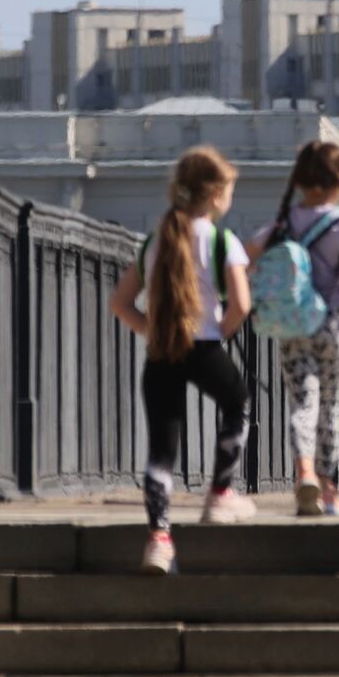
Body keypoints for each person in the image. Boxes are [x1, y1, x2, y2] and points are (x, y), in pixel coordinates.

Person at [109, 146, 255, 573]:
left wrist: (153, 330)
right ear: (214, 196)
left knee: (161, 449)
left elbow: (120, 303)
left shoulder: (156, 241)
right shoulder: (223, 241)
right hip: (204, 347)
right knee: (238, 401)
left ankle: (158, 539)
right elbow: (242, 305)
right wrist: (219, 334)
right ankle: (220, 495)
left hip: (162, 352)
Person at [248, 141, 339, 517]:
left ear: (301, 181)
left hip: (293, 326)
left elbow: (249, 253)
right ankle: (329, 490)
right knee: (330, 406)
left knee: (303, 403)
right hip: (333, 323)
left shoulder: (286, 222)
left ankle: (304, 472)